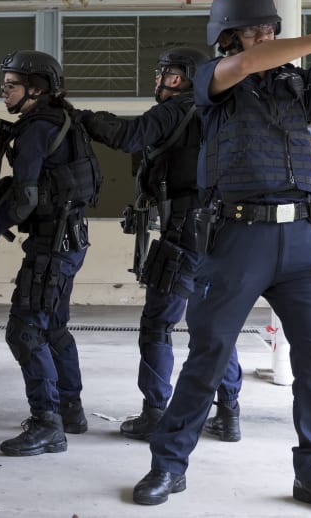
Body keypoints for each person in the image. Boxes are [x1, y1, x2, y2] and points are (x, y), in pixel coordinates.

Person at [131, 0, 311, 517]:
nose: (265, 35)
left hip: (300, 243)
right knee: (208, 356)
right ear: (228, 37)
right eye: (253, 29)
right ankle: (168, 465)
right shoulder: (213, 78)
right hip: (238, 238)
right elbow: (248, 64)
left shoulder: (297, 82)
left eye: (269, 27)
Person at [75, 47, 243, 442]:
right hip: (224, 232)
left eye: (166, 74)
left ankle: (154, 412)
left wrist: (80, 117)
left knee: (158, 323)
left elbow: (127, 136)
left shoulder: (175, 110)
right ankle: (229, 413)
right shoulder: (224, 112)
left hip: (183, 231)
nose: (159, 81)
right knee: (215, 325)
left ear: (183, 77)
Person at [0, 50, 102, 456]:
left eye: (11, 85)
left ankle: (46, 423)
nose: (4, 91)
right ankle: (70, 410)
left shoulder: (37, 128)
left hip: (51, 245)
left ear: (36, 90)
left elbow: (25, 197)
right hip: (70, 240)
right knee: (53, 327)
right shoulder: (63, 121)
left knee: (24, 331)